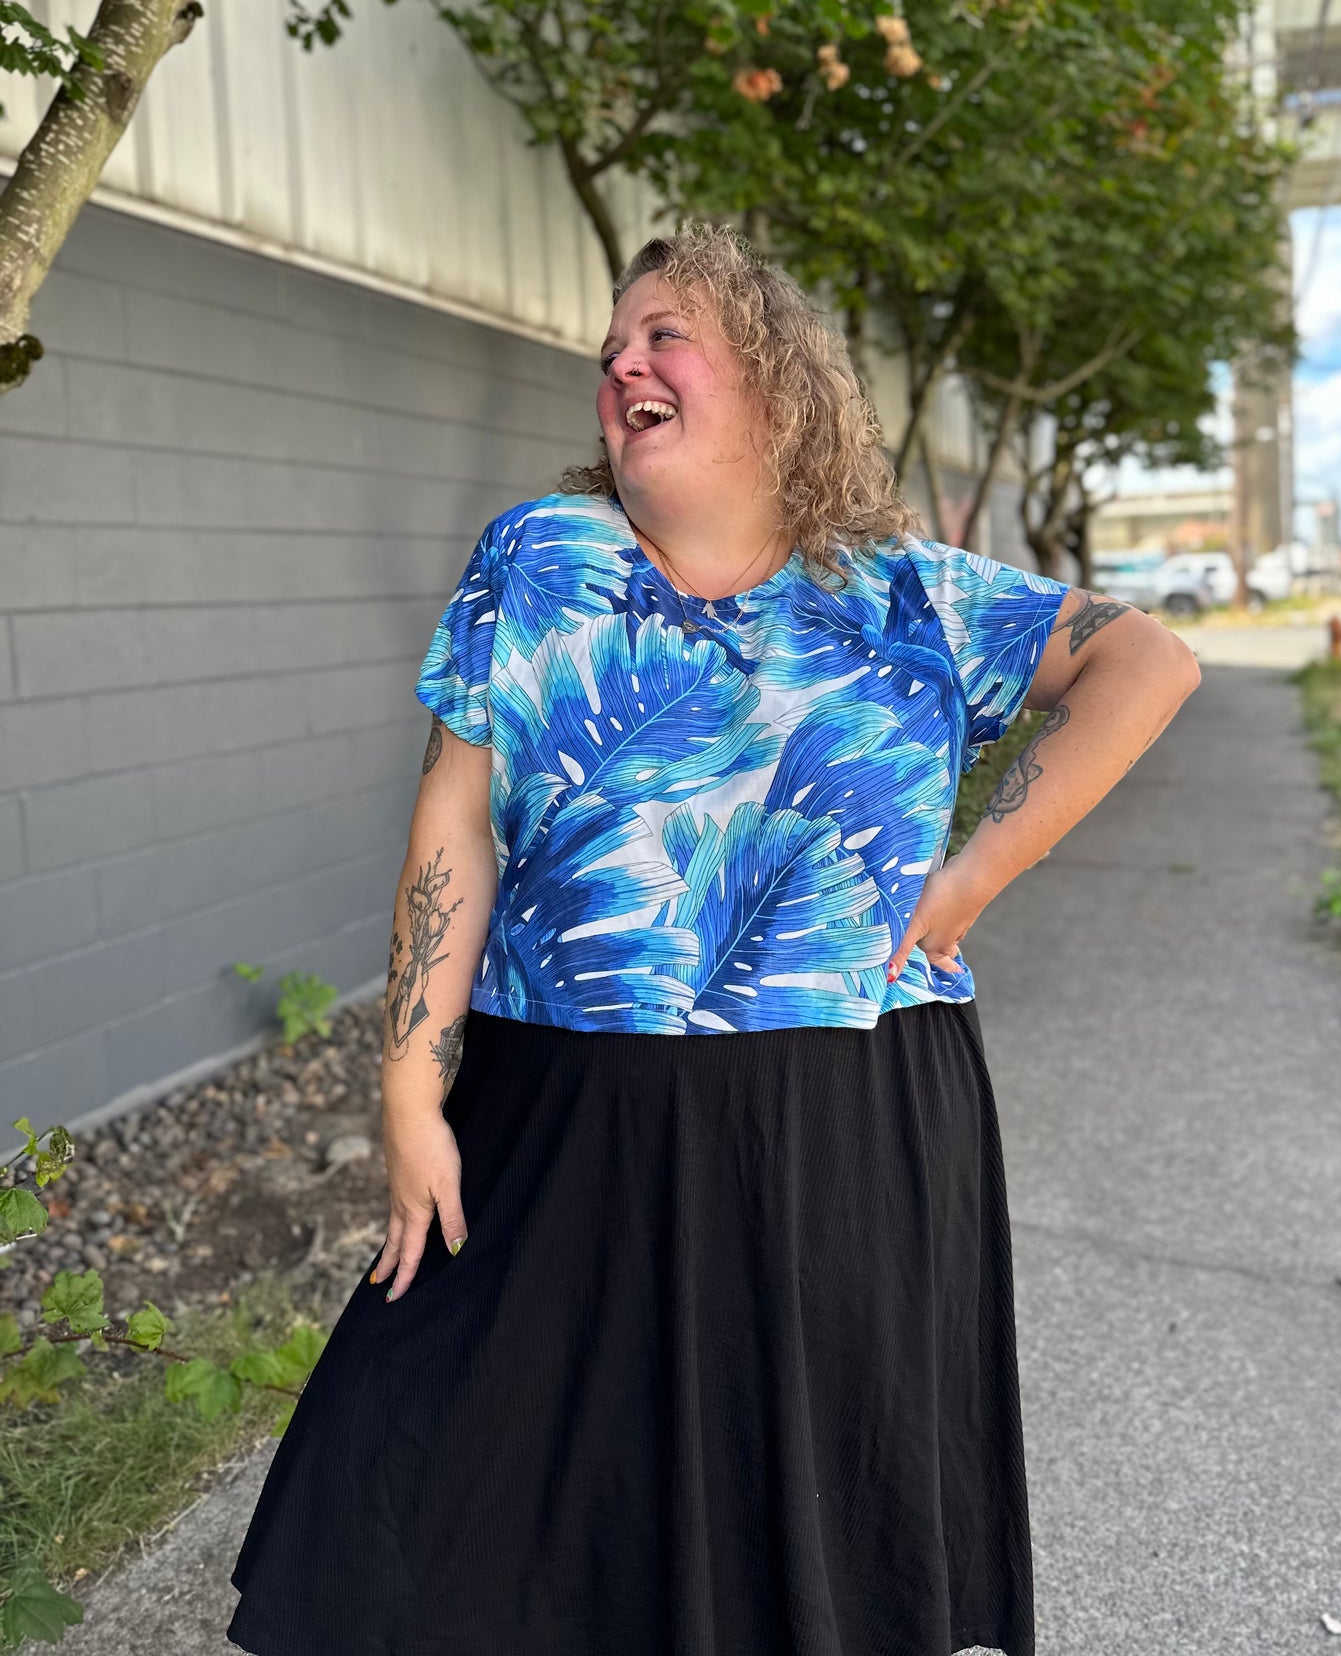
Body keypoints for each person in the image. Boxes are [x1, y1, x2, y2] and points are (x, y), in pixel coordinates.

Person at [227, 221, 1199, 1656]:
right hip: (559, 1100)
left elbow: (1149, 660)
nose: (623, 361)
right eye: (610, 349)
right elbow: (454, 824)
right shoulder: (541, 562)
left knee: (799, 1500)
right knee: (440, 1469)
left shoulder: (907, 592)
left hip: (845, 1115)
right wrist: (408, 1094)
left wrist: (977, 874)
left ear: (775, 381)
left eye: (662, 333)